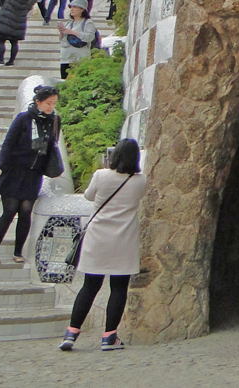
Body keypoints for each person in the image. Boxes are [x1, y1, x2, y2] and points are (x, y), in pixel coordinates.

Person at [59, 138, 148, 352]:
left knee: (89, 286)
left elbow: (89, 196)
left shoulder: (101, 175)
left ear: (114, 155)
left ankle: (71, 333)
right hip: (123, 241)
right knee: (118, 288)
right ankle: (109, 337)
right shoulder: (140, 181)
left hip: (97, 239)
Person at [0, 85, 60, 264]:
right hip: (14, 171)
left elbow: (52, 145)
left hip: (34, 174)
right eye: (48, 103)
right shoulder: (24, 118)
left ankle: (18, 252)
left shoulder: (54, 120)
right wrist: (0, 166)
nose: (51, 107)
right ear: (38, 102)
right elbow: (8, 143)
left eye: (53, 103)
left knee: (26, 211)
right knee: (10, 210)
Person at [58, 0, 98, 79]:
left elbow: (89, 37)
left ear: (82, 9)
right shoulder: (69, 23)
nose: (72, 9)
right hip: (65, 59)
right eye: (71, 7)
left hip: (80, 59)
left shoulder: (87, 22)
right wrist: (62, 32)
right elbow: (63, 42)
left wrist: (72, 32)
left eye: (75, 7)